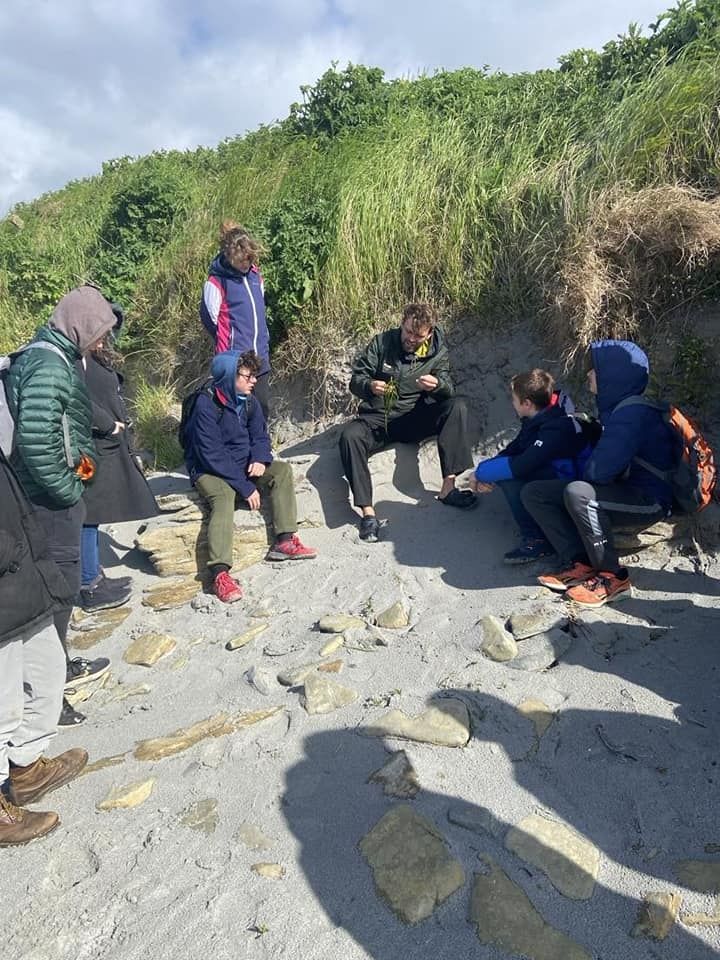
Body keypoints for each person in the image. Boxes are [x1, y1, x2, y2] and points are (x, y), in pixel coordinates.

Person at [5, 285, 119, 724]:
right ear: (81, 323)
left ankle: (59, 669)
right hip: (49, 504)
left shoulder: (44, 355)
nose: (102, 341)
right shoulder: (50, 367)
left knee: (57, 592)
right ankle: (51, 698)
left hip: (42, 498)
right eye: (100, 331)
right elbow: (37, 442)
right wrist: (70, 490)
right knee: (58, 593)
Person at [521, 340, 675, 607]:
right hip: (627, 490)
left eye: (594, 370)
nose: (588, 375)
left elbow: (598, 472)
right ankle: (580, 564)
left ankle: (613, 578)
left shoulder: (632, 414)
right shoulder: (620, 409)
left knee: (578, 492)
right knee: (535, 493)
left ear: (612, 376)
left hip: (650, 502)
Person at [0, 448, 88, 846]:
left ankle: (26, 768)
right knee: (3, 707)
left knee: (49, 673)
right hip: (6, 575)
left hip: (21, 580)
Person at [184, 350, 317, 603]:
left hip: (242, 463)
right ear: (228, 376)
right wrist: (244, 486)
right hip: (207, 468)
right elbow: (211, 454)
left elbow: (260, 436)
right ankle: (220, 574)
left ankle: (285, 541)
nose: (254, 381)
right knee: (223, 497)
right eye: (248, 376)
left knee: (281, 471)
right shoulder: (206, 404)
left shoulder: (248, 401)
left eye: (254, 375)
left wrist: (259, 458)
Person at [339, 302, 475, 542]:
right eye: (408, 332)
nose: (411, 338)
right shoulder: (383, 343)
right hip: (378, 418)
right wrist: (369, 386)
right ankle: (368, 513)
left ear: (429, 333)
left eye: (418, 335)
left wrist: (438, 386)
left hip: (414, 417)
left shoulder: (437, 350)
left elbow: (448, 388)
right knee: (349, 436)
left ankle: (448, 488)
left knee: (457, 405)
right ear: (402, 324)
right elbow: (356, 379)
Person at [79, 308, 158, 612]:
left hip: (100, 445)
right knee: (87, 513)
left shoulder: (92, 353)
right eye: (102, 331)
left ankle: (93, 575)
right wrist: (107, 424)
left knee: (92, 514)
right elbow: (78, 399)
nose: (106, 339)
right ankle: (89, 585)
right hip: (88, 449)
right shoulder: (77, 359)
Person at [469, 369, 591, 564]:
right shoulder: (543, 414)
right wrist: (484, 472)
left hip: (569, 483)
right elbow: (517, 447)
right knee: (502, 471)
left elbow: (521, 466)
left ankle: (537, 540)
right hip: (555, 471)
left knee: (511, 479)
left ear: (527, 403)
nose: (512, 403)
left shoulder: (556, 428)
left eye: (514, 399)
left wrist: (481, 473)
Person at [200, 221, 271, 419]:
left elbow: (260, 310)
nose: (245, 264)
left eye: (249, 259)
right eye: (241, 261)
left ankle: (261, 446)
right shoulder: (216, 282)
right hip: (235, 359)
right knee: (236, 410)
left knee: (262, 407)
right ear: (229, 256)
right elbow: (210, 320)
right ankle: (237, 447)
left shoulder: (256, 275)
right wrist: (231, 343)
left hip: (260, 354)